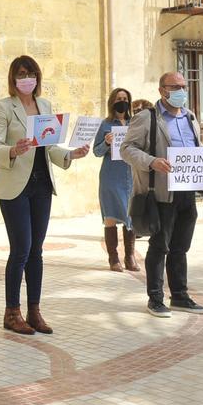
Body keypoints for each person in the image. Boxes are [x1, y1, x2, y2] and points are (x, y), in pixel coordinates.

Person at [0, 55, 89, 335]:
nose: (27, 78)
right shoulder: (3, 107)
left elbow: (49, 145)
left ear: (38, 78)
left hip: (42, 184)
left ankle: (34, 310)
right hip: (15, 185)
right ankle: (11, 312)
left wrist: (71, 154)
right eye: (21, 73)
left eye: (31, 73)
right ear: (13, 78)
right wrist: (12, 150)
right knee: (20, 248)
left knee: (37, 251)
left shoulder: (44, 106)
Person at [121, 71, 203, 318]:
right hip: (161, 192)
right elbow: (126, 149)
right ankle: (155, 298)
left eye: (183, 86)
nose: (181, 91)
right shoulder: (147, 118)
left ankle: (179, 296)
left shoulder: (191, 118)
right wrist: (151, 161)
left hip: (187, 191)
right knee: (159, 246)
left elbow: (195, 150)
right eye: (175, 87)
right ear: (161, 90)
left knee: (180, 246)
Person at [94, 87, 139, 272]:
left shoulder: (134, 123)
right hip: (111, 176)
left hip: (131, 175)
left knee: (132, 216)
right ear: (112, 101)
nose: (122, 101)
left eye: (125, 98)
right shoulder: (105, 125)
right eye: (119, 98)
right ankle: (113, 258)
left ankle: (130, 256)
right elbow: (96, 151)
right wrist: (106, 142)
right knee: (111, 216)